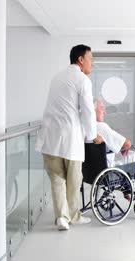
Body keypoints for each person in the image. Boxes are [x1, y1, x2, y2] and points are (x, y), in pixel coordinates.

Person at [36, 45, 103, 231]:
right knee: (74, 180)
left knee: (57, 179)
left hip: (49, 138)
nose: (92, 63)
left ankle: (61, 218)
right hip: (70, 139)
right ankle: (73, 216)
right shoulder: (83, 80)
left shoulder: (56, 77)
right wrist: (93, 135)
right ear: (81, 60)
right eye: (91, 59)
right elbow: (89, 111)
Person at [93, 97, 135, 207]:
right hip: (108, 171)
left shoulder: (85, 128)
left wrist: (117, 147)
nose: (105, 111)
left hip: (92, 171)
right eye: (102, 108)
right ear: (93, 110)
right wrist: (123, 147)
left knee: (127, 158)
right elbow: (127, 144)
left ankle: (128, 191)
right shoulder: (101, 127)